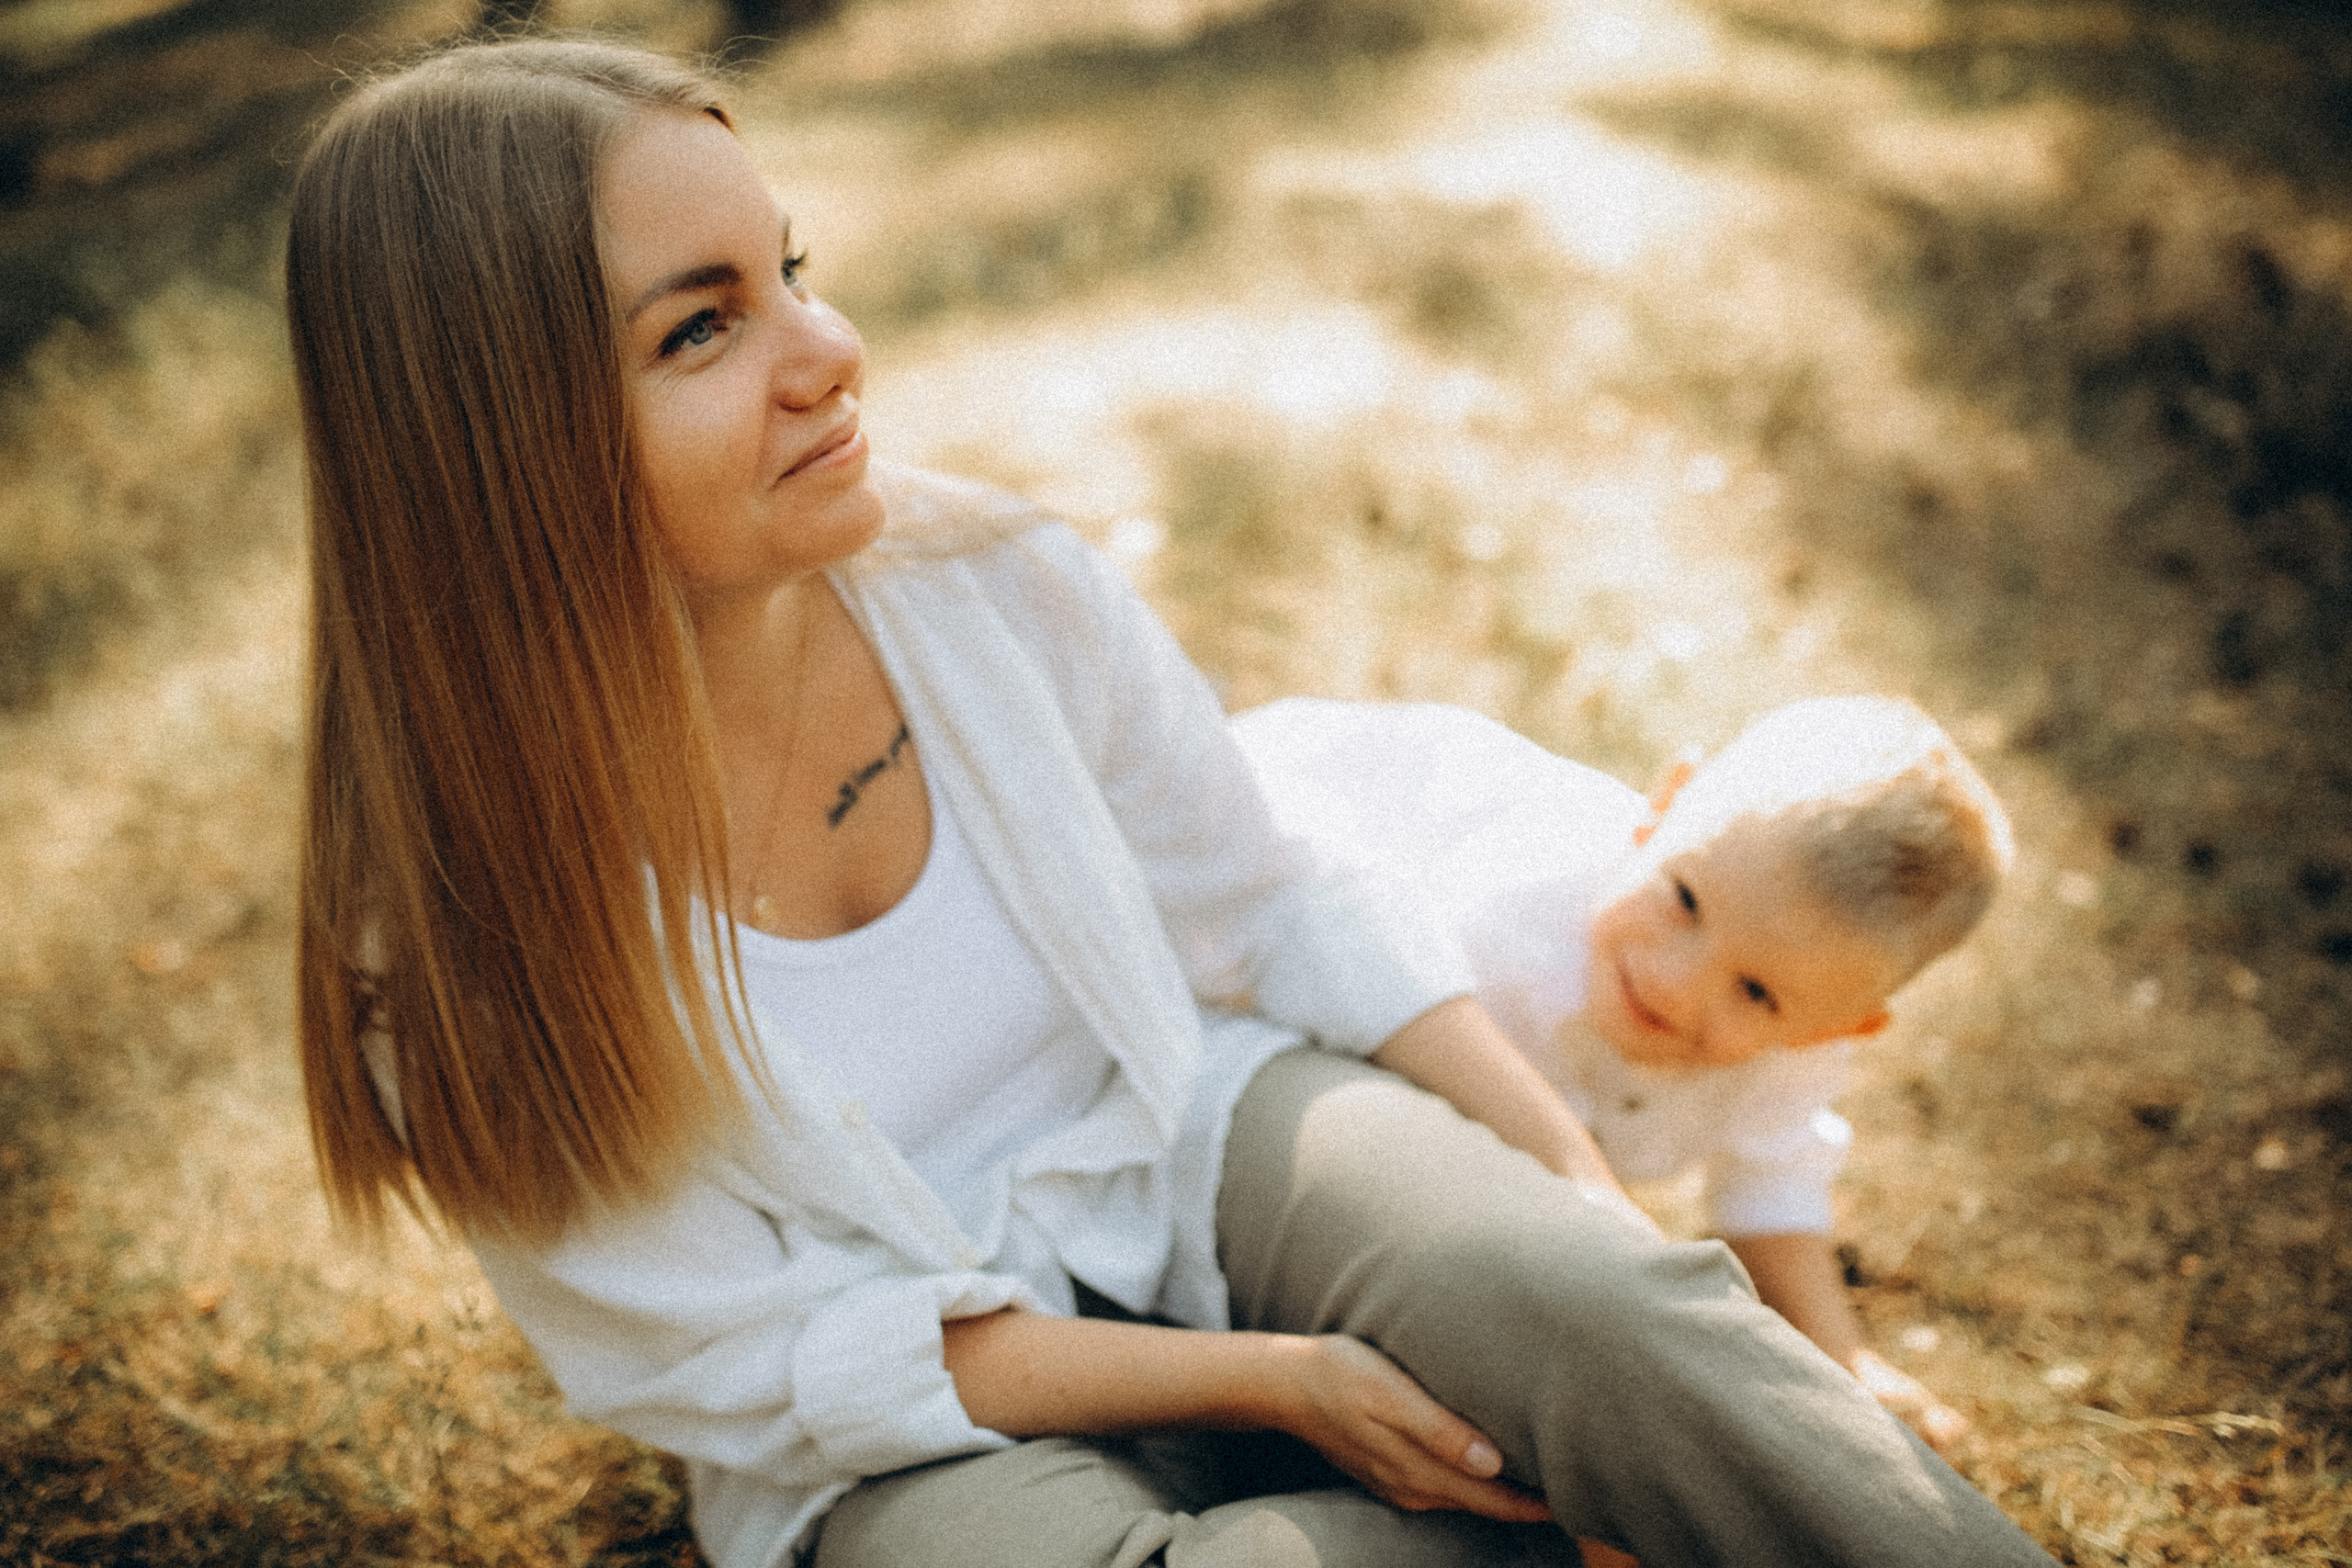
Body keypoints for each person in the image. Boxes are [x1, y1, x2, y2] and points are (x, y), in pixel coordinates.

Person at [286, 38, 2058, 1568]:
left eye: (791, 269)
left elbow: (1276, 903)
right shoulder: (441, 946)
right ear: (499, 451)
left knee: (1612, 1315)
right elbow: (775, 1364)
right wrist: (1273, 1381)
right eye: (703, 328)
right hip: (904, 1439)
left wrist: (1580, 1204)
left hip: (1194, 1135)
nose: (828, 349)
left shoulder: (994, 581)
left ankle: (1628, 1469)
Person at [1232, 695, 2013, 1458]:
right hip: (1255, 906)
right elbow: (1355, 1011)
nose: (1676, 980)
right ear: (1663, 805)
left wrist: (1842, 1366)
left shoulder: (1798, 1048)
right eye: (1685, 899)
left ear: (1835, 1025)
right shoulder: (1503, 915)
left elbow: (1774, 1187)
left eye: (1755, 992)